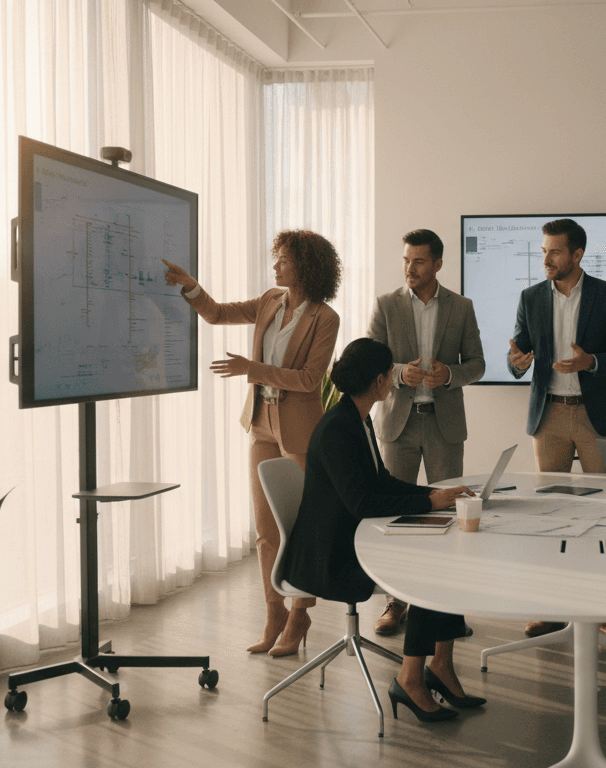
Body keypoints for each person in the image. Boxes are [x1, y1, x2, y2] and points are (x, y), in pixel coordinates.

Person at [282, 338, 486, 723]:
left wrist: (434, 494)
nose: (392, 378)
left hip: (350, 540)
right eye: (390, 373)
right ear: (380, 381)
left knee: (443, 556)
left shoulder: (356, 419)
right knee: (426, 569)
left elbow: (383, 482)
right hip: (330, 557)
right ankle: (410, 679)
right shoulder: (339, 429)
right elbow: (363, 503)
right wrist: (429, 504)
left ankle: (440, 667)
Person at [162, 230, 341, 657]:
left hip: (299, 428)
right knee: (265, 531)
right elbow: (219, 313)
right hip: (262, 424)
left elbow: (310, 380)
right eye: (275, 258)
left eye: (282, 259)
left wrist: (252, 369)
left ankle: (300, 613)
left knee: (300, 525)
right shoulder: (268, 301)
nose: (275, 266)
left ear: (305, 265)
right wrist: (191, 286)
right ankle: (273, 611)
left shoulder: (325, 318)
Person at [507, 217, 606, 639]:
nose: (546, 258)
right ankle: (550, 605)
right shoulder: (530, 297)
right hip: (550, 415)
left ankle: (604, 607)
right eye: (544, 250)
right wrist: (517, 363)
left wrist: (591, 362)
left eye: (555, 251)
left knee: (605, 513)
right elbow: (518, 352)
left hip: (594, 413)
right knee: (550, 515)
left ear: (577, 254)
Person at [366, 229, 486, 636]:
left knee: (452, 514)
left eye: (418, 261)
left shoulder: (462, 306)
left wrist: (450, 374)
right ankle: (395, 602)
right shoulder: (386, 305)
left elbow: (478, 364)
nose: (409, 269)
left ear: (437, 264)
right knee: (397, 515)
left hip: (444, 423)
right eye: (405, 260)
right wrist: (400, 372)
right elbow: (370, 357)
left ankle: (448, 608)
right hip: (398, 423)